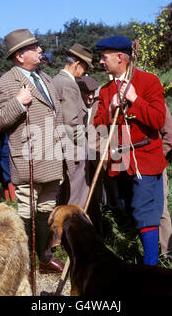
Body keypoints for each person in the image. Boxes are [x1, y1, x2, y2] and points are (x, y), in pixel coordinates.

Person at [0, 28, 65, 274]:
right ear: (20, 56)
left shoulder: (46, 79)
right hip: (28, 161)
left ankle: (43, 258)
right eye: (34, 47)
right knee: (27, 211)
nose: (40, 50)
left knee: (46, 209)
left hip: (52, 157)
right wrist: (18, 103)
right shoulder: (5, 84)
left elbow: (57, 116)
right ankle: (22, 263)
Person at [93, 36, 167, 265]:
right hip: (118, 161)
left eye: (104, 57)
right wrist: (112, 107)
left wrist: (135, 99)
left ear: (120, 57)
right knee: (128, 211)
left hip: (144, 157)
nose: (100, 62)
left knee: (145, 212)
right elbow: (98, 126)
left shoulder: (148, 81)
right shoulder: (105, 91)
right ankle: (142, 257)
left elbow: (158, 120)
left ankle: (150, 267)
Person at [53, 44, 93, 209]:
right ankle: (72, 232)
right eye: (85, 67)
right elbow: (71, 123)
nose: (85, 72)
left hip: (61, 149)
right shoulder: (69, 84)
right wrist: (85, 146)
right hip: (74, 150)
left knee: (64, 196)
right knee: (76, 200)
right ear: (77, 64)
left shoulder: (55, 80)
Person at [76, 75, 104, 235]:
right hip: (78, 161)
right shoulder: (74, 107)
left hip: (96, 160)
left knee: (95, 199)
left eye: (93, 93)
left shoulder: (97, 106)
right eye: (87, 93)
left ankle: (97, 232)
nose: (91, 97)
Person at [159, 105, 172, 260]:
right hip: (133, 166)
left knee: (161, 208)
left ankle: (167, 254)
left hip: (156, 165)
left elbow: (170, 135)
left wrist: (157, 156)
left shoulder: (158, 102)